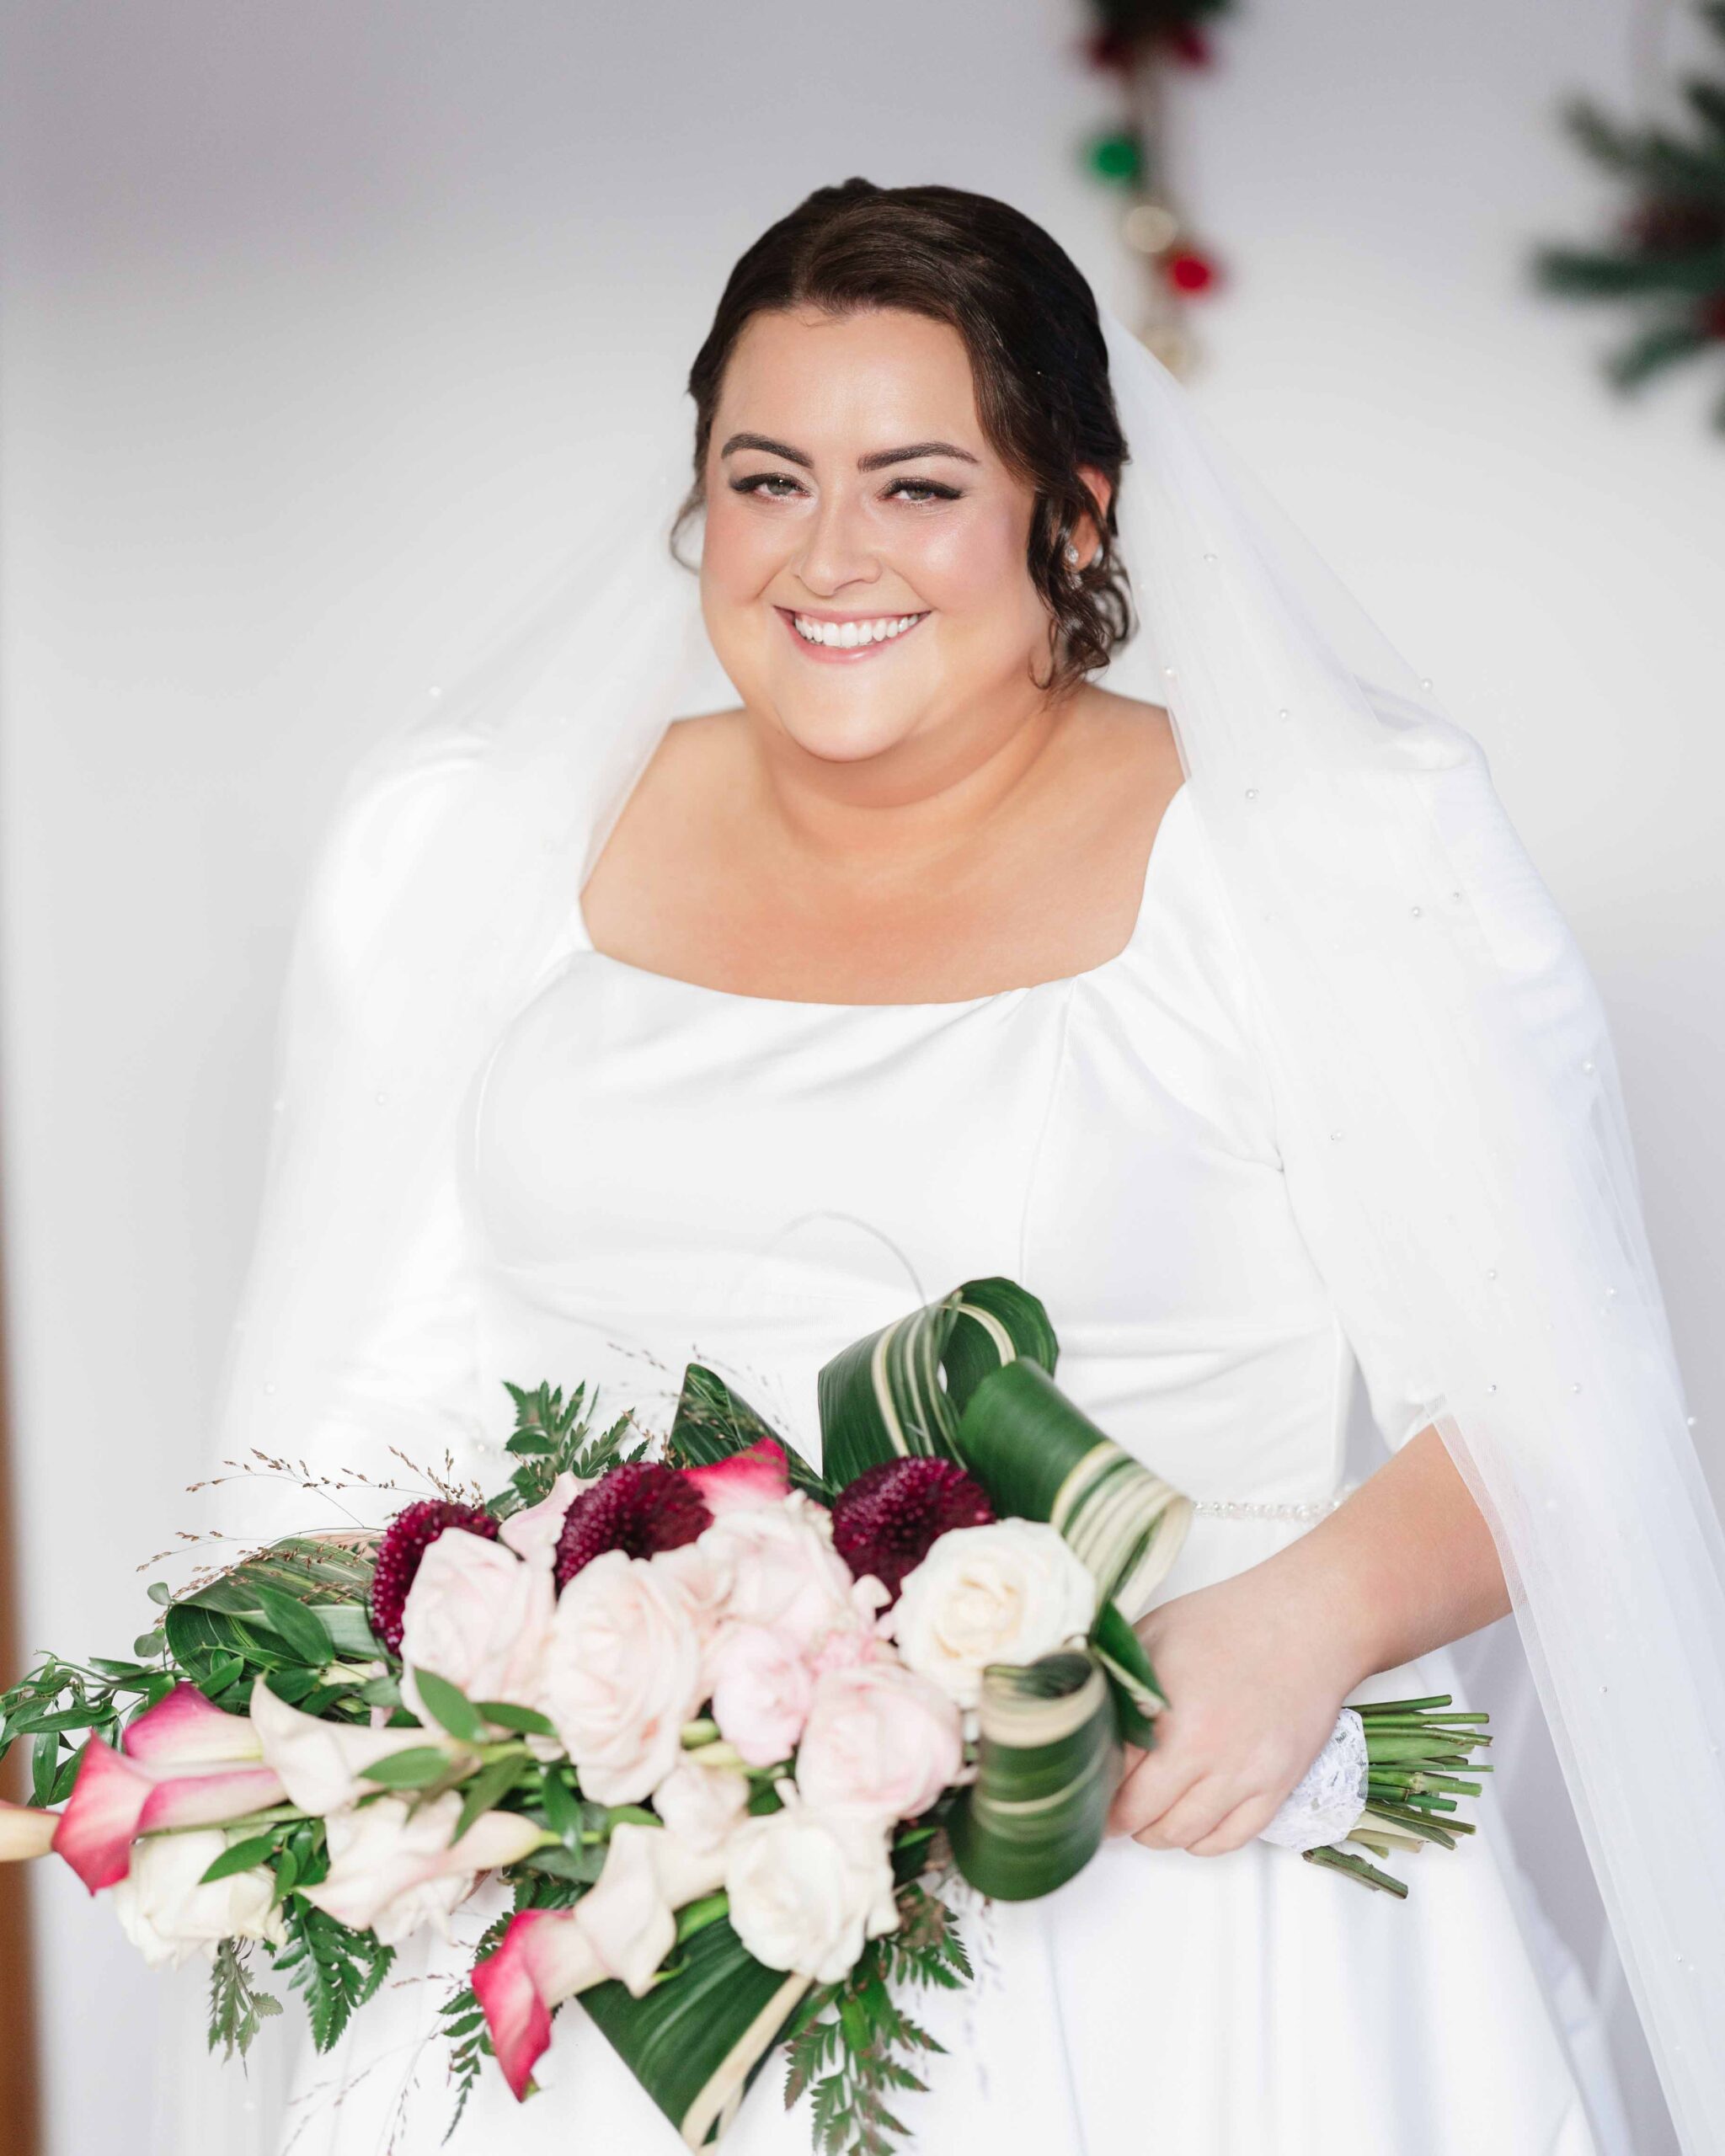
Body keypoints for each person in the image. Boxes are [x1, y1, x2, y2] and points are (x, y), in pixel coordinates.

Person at [195, 180, 1724, 2156]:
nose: (828, 556)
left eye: (917, 485)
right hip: (616, 1948)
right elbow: (358, 1413)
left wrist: (1310, 1617)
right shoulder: (469, 853)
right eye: (766, 480)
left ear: (1070, 515)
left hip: (1186, 1912)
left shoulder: (1333, 848)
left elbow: (1574, 1419)